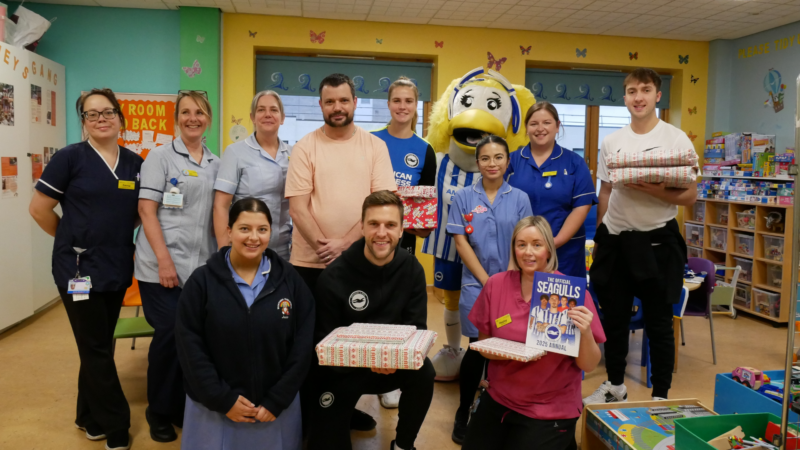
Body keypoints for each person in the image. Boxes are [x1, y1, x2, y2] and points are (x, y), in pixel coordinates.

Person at [29, 88, 142, 450]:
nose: (101, 119)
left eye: (107, 112)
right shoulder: (69, 159)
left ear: (120, 118)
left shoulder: (135, 164)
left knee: (98, 345)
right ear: (84, 123)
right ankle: (116, 425)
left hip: (116, 267)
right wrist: (69, 238)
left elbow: (141, 214)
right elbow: (39, 209)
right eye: (91, 114)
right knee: (95, 346)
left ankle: (87, 415)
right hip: (77, 269)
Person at [285, 73, 397, 431]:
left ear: (355, 103)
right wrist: (325, 248)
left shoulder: (374, 147)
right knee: (311, 343)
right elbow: (298, 208)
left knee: (352, 344)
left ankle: (342, 410)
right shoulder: (306, 146)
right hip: (309, 263)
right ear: (320, 105)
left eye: (343, 101)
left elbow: (382, 205)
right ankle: (309, 417)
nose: (337, 107)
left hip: (360, 263)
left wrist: (346, 246)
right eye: (330, 101)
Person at [583, 68, 696, 405]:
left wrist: (651, 188)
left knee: (660, 324)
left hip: (657, 244)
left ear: (658, 95)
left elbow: (690, 195)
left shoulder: (676, 138)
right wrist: (602, 233)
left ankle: (660, 395)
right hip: (617, 240)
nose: (638, 97)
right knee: (615, 321)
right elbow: (605, 191)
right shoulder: (612, 142)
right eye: (632, 91)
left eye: (645, 90)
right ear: (625, 97)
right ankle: (615, 385)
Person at [175, 198, 315, 450]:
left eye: (262, 229)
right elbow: (190, 348)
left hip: (273, 408)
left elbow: (303, 345)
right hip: (215, 408)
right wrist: (222, 398)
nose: (254, 237)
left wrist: (278, 398)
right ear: (228, 231)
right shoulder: (201, 283)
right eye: (244, 228)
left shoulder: (290, 280)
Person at [463, 216, 605, 450]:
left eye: (536, 245)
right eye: (521, 245)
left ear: (548, 249)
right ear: (514, 249)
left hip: (549, 407)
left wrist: (586, 332)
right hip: (501, 397)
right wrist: (520, 352)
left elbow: (589, 365)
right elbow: (485, 346)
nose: (528, 252)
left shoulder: (573, 295)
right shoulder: (496, 285)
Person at [307, 191, 434, 450]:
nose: (381, 232)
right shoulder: (334, 276)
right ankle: (341, 417)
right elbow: (323, 342)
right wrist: (368, 358)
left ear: (401, 230)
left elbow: (417, 331)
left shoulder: (412, 270)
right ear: (362, 226)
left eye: (390, 225)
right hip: (342, 370)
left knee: (425, 372)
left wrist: (388, 358)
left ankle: (403, 444)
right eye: (374, 224)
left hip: (393, 365)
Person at [133, 90, 220, 442]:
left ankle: (186, 405)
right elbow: (145, 211)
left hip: (200, 268)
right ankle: (159, 411)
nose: (192, 118)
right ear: (176, 119)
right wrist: (165, 262)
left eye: (199, 112)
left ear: (208, 118)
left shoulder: (216, 163)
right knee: (170, 334)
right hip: (160, 269)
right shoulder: (159, 157)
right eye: (185, 112)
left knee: (197, 339)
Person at [444, 135, 532, 444]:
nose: (492, 163)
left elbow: (522, 241)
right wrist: (487, 280)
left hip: (513, 282)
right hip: (475, 284)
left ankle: (500, 409)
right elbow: (460, 241)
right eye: (485, 158)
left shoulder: (520, 197)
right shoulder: (464, 197)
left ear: (508, 162)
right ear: (477, 162)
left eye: (498, 157)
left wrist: (507, 279)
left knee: (507, 347)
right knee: (478, 348)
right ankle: (463, 409)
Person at [370, 77, 437, 410]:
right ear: (388, 104)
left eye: (408, 101)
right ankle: (365, 369)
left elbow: (425, 210)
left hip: (404, 246)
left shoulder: (425, 150)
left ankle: (390, 377)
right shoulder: (370, 142)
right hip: (370, 242)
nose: (402, 106)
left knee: (397, 308)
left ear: (416, 105)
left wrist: (420, 227)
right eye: (396, 100)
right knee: (369, 304)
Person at [506, 101, 597, 278]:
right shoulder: (512, 161)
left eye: (546, 122)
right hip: (522, 253)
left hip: (564, 252)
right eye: (534, 123)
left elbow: (582, 207)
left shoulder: (574, 162)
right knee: (521, 301)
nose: (540, 128)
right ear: (526, 128)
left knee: (561, 304)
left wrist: (552, 243)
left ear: (557, 126)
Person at [214, 90, 292, 259]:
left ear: (282, 117)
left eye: (274, 110)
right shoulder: (235, 152)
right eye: (261, 110)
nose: (267, 115)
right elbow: (221, 206)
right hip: (245, 246)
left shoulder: (294, 154)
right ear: (252, 117)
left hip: (283, 248)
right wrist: (224, 252)